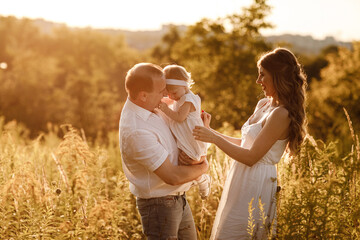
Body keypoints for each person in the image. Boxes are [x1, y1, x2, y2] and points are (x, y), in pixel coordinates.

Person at [192, 48, 307, 239]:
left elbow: (252, 157)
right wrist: (210, 132)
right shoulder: (264, 104)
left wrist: (214, 139)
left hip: (257, 181)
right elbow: (245, 143)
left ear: (277, 77)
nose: (258, 80)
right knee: (228, 229)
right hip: (240, 176)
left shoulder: (282, 114)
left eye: (263, 75)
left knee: (242, 232)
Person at [119, 62, 209, 240]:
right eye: (162, 91)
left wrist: (201, 127)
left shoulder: (150, 106)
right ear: (143, 95)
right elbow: (172, 176)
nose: (166, 95)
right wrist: (203, 166)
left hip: (177, 199)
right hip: (159, 206)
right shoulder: (136, 130)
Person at [158, 64, 211, 199]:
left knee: (190, 160)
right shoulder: (180, 96)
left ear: (184, 85)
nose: (172, 97)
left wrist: (165, 109)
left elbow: (180, 118)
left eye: (174, 93)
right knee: (183, 161)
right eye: (169, 93)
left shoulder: (188, 100)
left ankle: (202, 179)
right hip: (185, 136)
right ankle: (198, 179)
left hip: (191, 137)